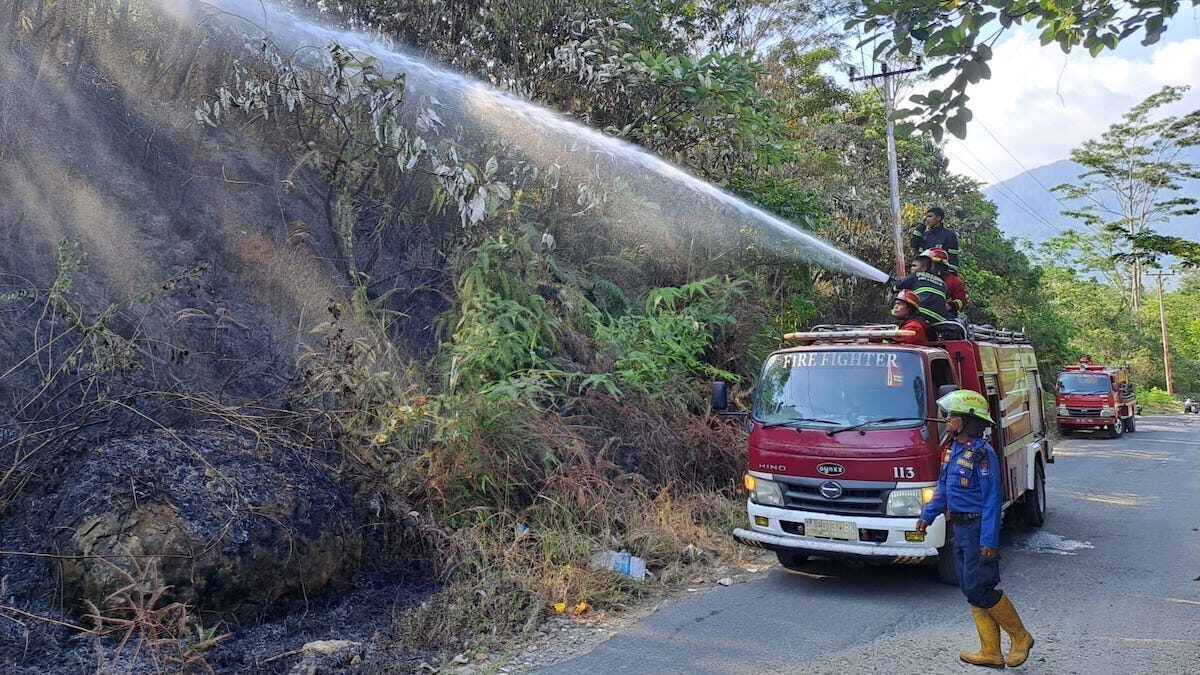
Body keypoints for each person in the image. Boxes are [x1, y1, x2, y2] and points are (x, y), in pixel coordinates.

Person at [916, 390, 1035, 669]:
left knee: (981, 586)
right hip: (961, 528)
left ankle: (1021, 637)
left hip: (978, 527)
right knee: (971, 588)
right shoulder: (954, 449)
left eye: (952, 416)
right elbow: (944, 489)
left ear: (967, 420)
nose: (947, 420)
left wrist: (989, 540)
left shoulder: (983, 454)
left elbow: (993, 498)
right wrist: (928, 515)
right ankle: (991, 651)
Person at [889, 252, 953, 325]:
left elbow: (895, 288)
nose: (911, 268)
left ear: (924, 268)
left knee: (900, 296)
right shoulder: (943, 283)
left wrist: (893, 283)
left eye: (914, 266)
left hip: (920, 313)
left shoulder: (916, 275)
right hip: (939, 319)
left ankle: (894, 325)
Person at [924, 246, 967, 317]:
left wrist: (950, 306)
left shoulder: (954, 281)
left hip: (945, 316)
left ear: (938, 265)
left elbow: (961, 301)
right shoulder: (920, 276)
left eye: (928, 264)